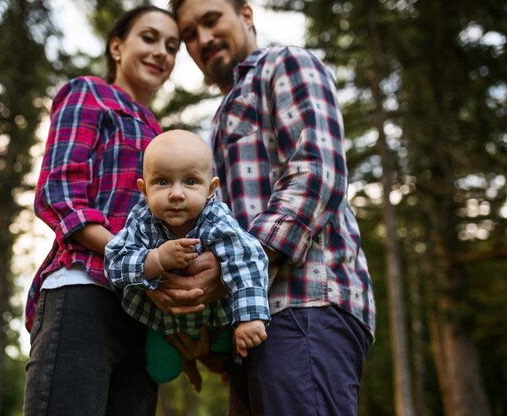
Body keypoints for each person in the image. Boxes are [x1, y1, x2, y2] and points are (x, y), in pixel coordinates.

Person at [161, 0, 378, 414]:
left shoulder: (285, 63)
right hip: (253, 327)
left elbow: (317, 172)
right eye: (189, 33)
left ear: (246, 15)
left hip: (304, 305)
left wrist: (230, 271)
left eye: (211, 21)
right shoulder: (221, 116)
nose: (202, 39)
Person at [22, 6, 180, 416]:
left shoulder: (162, 136)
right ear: (116, 47)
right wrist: (134, 259)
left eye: (172, 46)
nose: (161, 52)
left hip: (143, 312)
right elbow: (59, 195)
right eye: (149, 38)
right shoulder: (89, 93)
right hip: (84, 291)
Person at [104, 129, 270, 386]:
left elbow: (247, 258)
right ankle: (186, 364)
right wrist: (156, 260)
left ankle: (220, 364)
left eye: (190, 181)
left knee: (239, 356)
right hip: (163, 321)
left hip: (217, 319)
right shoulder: (142, 220)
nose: (176, 194)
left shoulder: (216, 218)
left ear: (211, 189)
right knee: (161, 372)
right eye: (162, 182)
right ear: (144, 189)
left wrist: (250, 317)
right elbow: (114, 262)